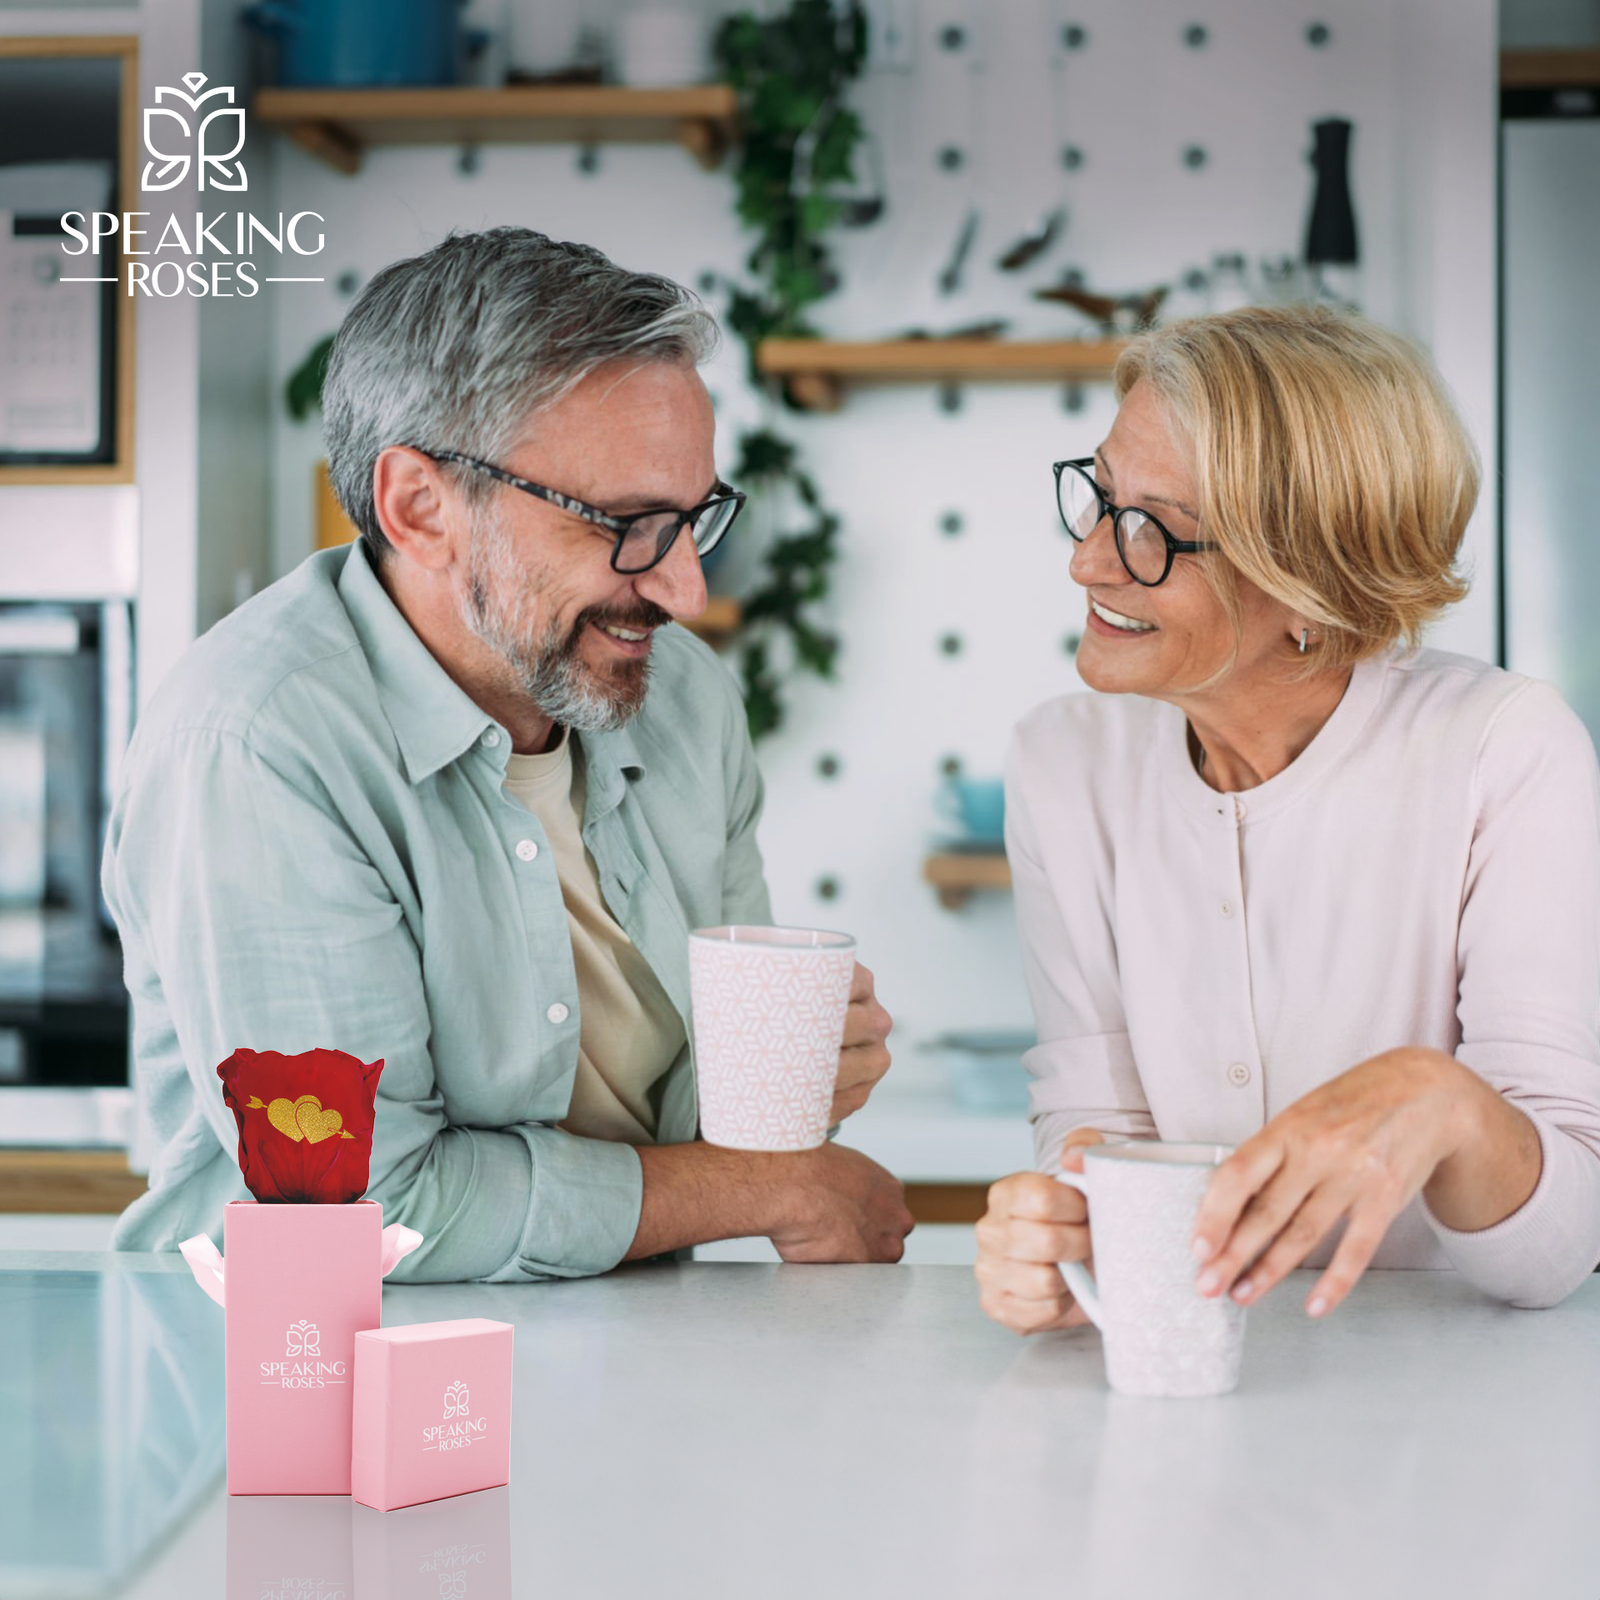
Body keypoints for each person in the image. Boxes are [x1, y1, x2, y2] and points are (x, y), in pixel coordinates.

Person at [104, 227, 913, 1280]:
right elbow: (358, 1208)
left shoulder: (685, 701)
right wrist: (767, 1188)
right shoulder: (257, 747)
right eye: (624, 524)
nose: (684, 592)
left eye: (692, 518)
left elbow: (696, 1113)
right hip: (300, 1383)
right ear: (420, 507)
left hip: (622, 1361)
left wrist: (797, 1068)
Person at [975, 305, 1600, 1332]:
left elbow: (1560, 1245)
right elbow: (1096, 1129)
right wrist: (1061, 1233)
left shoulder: (1503, 748)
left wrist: (1438, 1102)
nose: (1087, 560)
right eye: (1098, 496)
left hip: (1461, 1403)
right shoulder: (1061, 762)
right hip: (1190, 1383)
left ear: (1308, 586)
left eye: (1152, 531)